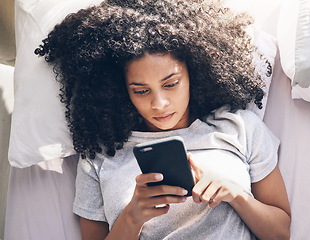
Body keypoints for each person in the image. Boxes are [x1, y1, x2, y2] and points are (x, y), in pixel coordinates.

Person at [35, 0, 291, 239]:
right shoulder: (100, 155)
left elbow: (281, 232)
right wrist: (132, 216)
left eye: (171, 84)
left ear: (196, 71)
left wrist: (236, 195)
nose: (159, 104)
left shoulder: (240, 127)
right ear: (119, 89)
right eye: (141, 91)